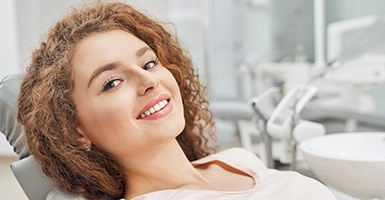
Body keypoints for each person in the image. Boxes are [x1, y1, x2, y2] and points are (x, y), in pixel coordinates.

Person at [17, 2, 337, 200]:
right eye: (112, 82)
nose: (148, 81)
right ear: (76, 131)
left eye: (149, 63)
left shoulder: (238, 159)